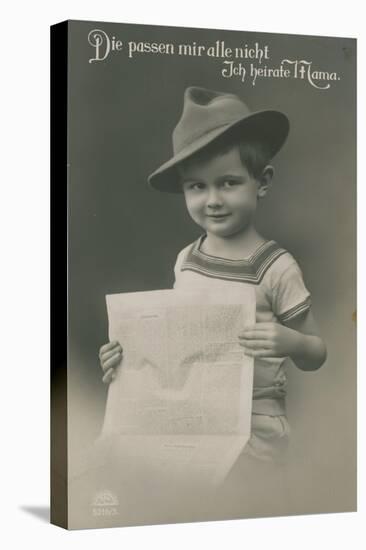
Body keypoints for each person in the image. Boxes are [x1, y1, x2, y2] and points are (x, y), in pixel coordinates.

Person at [98, 87, 327, 514]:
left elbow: (317, 351)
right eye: (197, 187)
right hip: (191, 421)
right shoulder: (187, 260)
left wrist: (288, 341)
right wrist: (123, 358)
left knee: (245, 513)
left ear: (263, 182)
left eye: (228, 182)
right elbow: (172, 346)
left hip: (256, 427)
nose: (213, 200)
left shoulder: (276, 267)